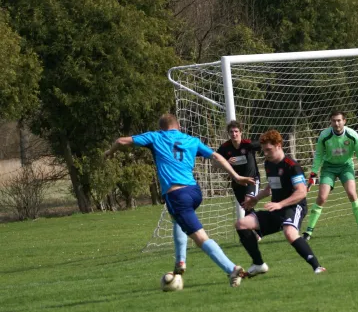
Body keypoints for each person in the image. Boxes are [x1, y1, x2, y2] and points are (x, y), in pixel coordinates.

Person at [104, 113, 255, 287]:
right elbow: (216, 156)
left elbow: (121, 141)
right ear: (179, 127)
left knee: (200, 238)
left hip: (177, 195)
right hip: (194, 192)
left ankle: (232, 269)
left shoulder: (156, 137)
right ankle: (180, 262)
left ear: (161, 128)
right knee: (177, 220)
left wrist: (110, 152)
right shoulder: (191, 140)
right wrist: (236, 176)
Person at [235, 129, 326, 276]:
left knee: (290, 233)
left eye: (268, 150)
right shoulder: (268, 164)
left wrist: (280, 204)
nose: (265, 153)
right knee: (241, 224)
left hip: (294, 206)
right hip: (276, 208)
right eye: (264, 150)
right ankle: (258, 264)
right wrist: (255, 199)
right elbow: (270, 187)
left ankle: (317, 267)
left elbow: (302, 192)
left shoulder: (292, 166)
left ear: (278, 145)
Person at [303, 111, 358, 240]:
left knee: (352, 193)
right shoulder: (324, 135)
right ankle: (308, 232)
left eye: (339, 120)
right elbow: (318, 155)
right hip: (329, 168)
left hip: (346, 167)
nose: (336, 123)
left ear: (344, 121)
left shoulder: (352, 135)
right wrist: (313, 174)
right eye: (334, 121)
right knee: (322, 198)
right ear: (330, 122)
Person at [216, 120, 262, 240]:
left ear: (241, 132)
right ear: (228, 133)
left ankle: (248, 233)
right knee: (247, 207)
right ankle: (261, 230)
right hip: (237, 183)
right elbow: (214, 163)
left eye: (236, 131)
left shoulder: (248, 144)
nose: (234, 134)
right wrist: (226, 162)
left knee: (248, 203)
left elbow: (264, 145)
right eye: (231, 132)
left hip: (252, 180)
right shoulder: (225, 148)